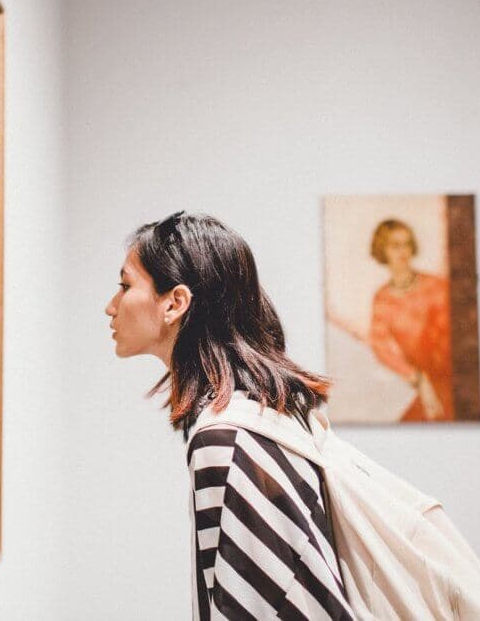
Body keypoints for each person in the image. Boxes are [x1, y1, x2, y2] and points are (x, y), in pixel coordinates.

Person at [105, 211, 355, 620]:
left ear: (175, 302)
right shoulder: (263, 413)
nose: (110, 306)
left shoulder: (224, 439)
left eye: (124, 285)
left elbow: (253, 607)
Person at [367, 219, 454, 422]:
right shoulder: (382, 299)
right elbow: (380, 347)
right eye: (395, 245)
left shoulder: (437, 286)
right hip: (422, 382)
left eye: (406, 244)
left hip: (450, 379)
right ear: (382, 250)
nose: (402, 251)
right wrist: (418, 378)